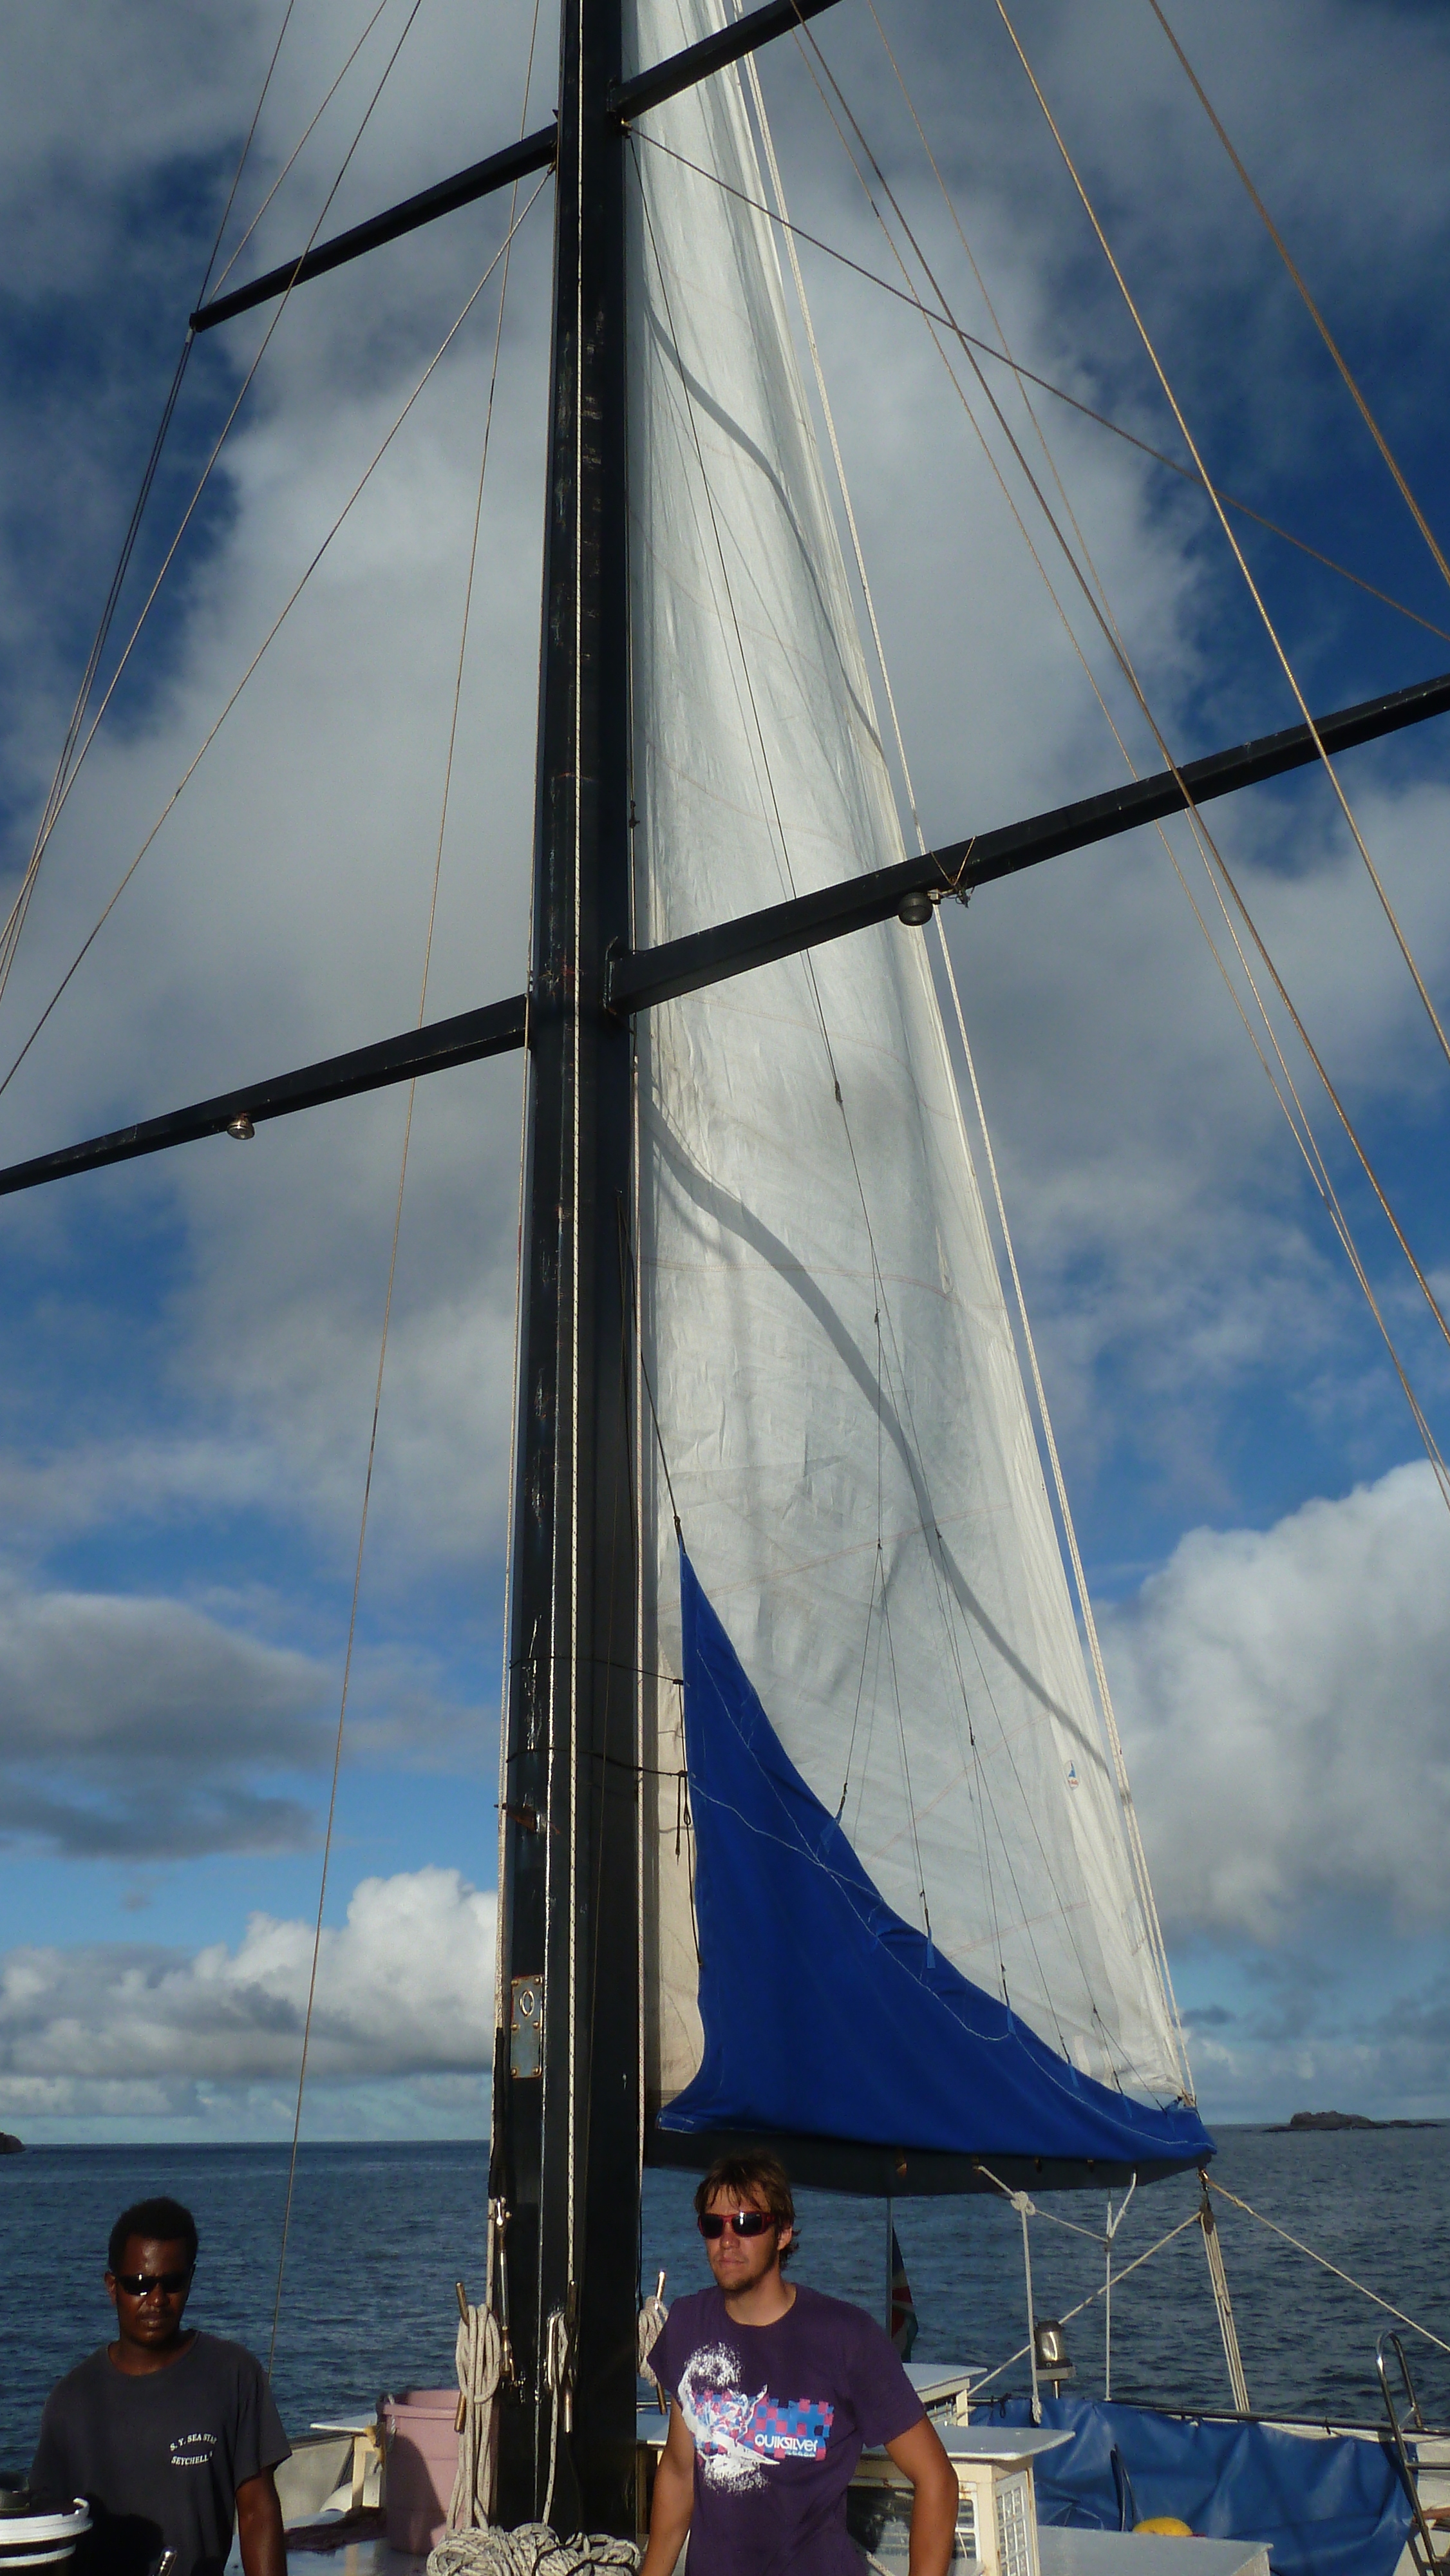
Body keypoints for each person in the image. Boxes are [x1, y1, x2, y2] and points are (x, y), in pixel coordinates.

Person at [642, 2152, 959, 2576]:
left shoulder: (846, 2337)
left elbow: (936, 2478)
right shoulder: (687, 2324)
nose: (728, 2240)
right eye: (713, 2225)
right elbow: (680, 2475)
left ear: (783, 2232)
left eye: (747, 2223)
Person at [30, 2196, 290, 2576]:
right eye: (139, 2284)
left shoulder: (234, 2375)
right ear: (112, 2287)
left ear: (191, 2280)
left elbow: (256, 2513)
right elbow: (47, 2536)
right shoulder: (71, 2400)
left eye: (173, 2282)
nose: (156, 2299)